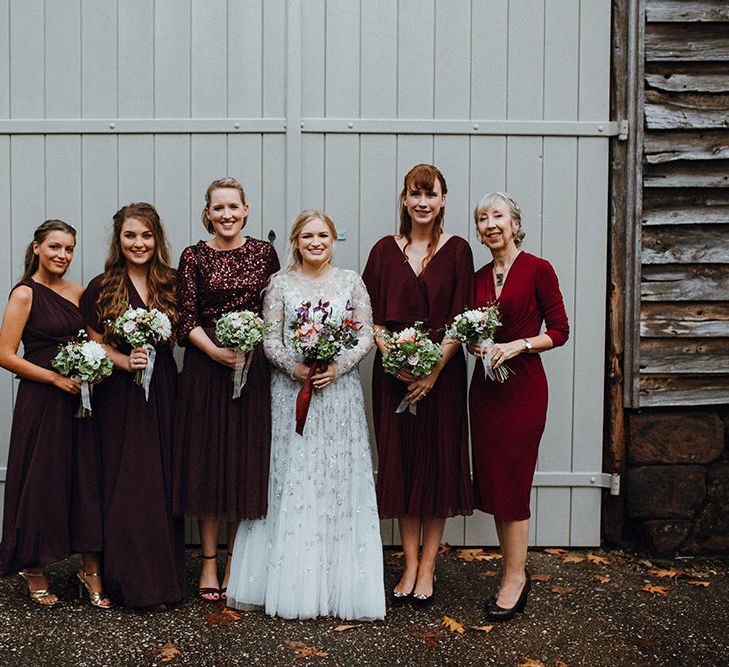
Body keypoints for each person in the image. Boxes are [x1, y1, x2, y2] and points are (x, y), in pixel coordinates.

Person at [227, 210, 385, 620]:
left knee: (336, 476)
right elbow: (269, 337)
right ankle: (291, 580)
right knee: (294, 475)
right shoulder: (280, 284)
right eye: (308, 236)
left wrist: (339, 365)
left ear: (334, 240)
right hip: (291, 392)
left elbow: (366, 333)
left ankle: (339, 581)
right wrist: (293, 367)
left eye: (324, 235)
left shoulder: (351, 281)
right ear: (296, 241)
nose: (316, 242)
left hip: (338, 394)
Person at [362, 164, 473, 607]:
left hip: (442, 377)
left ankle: (428, 566)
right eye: (415, 194)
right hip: (393, 378)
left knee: (437, 466)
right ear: (404, 200)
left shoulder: (459, 249)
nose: (423, 202)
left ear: (443, 201)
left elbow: (462, 317)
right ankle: (408, 563)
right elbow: (371, 315)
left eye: (432, 194)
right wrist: (394, 360)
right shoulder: (384, 251)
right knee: (403, 465)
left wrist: (431, 370)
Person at [173, 177, 280, 602]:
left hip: (251, 370)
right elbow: (186, 316)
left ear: (246, 209)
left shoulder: (263, 253)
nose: (227, 215)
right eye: (218, 208)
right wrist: (214, 352)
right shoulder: (193, 256)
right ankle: (209, 561)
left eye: (233, 207)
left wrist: (249, 347)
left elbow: (275, 311)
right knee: (208, 463)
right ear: (207, 213)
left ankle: (239, 560)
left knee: (243, 461)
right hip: (204, 369)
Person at [468, 192, 569, 622]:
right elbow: (469, 325)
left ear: (514, 223)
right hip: (486, 390)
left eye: (498, 217)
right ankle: (511, 571)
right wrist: (477, 343)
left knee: (514, 481)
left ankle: (515, 579)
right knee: (495, 482)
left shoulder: (538, 269)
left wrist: (520, 345)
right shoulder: (477, 276)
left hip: (523, 389)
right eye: (482, 219)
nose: (490, 225)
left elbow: (560, 330)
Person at [80, 203, 185, 608]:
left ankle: (163, 579)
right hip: (119, 396)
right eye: (130, 236)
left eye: (146, 235)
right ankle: (130, 583)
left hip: (162, 391)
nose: (138, 243)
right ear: (118, 240)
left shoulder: (171, 283)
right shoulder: (102, 286)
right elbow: (95, 342)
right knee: (128, 483)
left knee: (160, 481)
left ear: (156, 239)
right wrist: (123, 360)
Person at [0, 220, 110, 608]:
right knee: (41, 480)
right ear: (37, 248)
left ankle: (91, 567)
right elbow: (6, 355)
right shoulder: (24, 294)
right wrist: (54, 379)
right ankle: (33, 567)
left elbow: (97, 340)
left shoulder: (78, 293)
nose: (62, 255)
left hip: (79, 400)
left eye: (68, 249)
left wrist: (97, 362)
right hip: (42, 399)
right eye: (55, 247)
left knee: (85, 479)